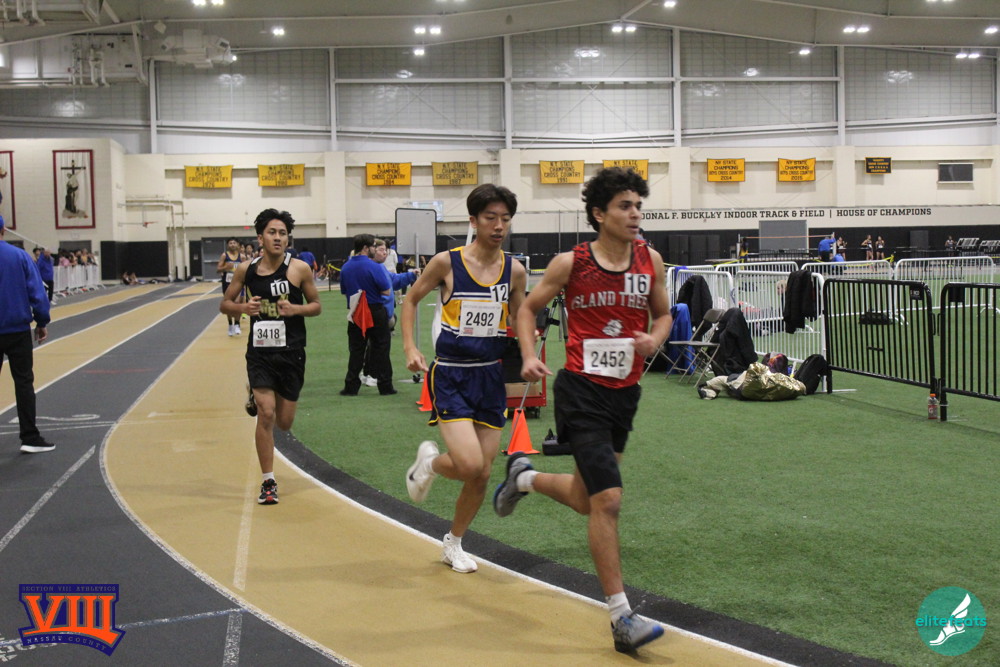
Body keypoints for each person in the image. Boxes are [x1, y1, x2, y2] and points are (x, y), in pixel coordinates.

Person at [492, 167, 671, 653]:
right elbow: (527, 309)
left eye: (638, 205)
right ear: (599, 214)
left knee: (585, 497)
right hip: (581, 391)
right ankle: (621, 617)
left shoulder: (649, 260)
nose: (635, 214)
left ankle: (524, 478)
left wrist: (653, 339)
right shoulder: (570, 263)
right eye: (624, 206)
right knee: (608, 499)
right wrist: (528, 354)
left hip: (624, 394)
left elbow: (662, 314)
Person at [402, 183, 527, 574]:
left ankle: (453, 543)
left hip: (490, 375)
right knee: (471, 465)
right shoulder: (446, 263)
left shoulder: (514, 270)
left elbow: (521, 316)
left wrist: (528, 355)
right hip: (452, 374)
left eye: (505, 218)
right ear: (473, 220)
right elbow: (410, 300)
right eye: (491, 217)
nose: (499, 225)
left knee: (482, 473)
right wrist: (410, 347)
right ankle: (429, 465)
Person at [220, 209, 321, 505]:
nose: (278, 238)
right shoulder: (246, 270)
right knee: (266, 413)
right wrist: (243, 309)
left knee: (284, 422)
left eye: (282, 233)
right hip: (260, 352)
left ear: (288, 239)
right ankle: (268, 481)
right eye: (272, 232)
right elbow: (225, 304)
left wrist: (296, 309)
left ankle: (260, 394)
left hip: (292, 353)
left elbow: (316, 305)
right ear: (260, 238)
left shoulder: (300, 269)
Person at [0, 215, 55, 454]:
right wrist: (42, 321)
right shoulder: (20, 256)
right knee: (23, 383)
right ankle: (30, 437)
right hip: (17, 329)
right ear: (3, 230)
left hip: (14, 327)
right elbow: (37, 292)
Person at [340, 234, 395, 395]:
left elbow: (344, 290)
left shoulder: (346, 267)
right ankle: (385, 386)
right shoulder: (375, 267)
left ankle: (351, 386)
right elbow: (386, 291)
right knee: (381, 348)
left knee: (356, 350)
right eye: (373, 246)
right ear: (366, 248)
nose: (374, 249)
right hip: (375, 310)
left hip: (355, 310)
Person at [360, 239, 420, 386]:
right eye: (381, 250)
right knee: (379, 347)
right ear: (372, 250)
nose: (385, 253)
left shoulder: (380, 268)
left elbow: (394, 280)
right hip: (376, 314)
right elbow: (388, 285)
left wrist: (411, 275)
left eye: (385, 250)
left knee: (373, 346)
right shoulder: (372, 268)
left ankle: (367, 373)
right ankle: (374, 375)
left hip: (381, 314)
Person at [217, 237, 245, 336]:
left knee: (237, 303)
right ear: (227, 245)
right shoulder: (224, 255)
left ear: (237, 245)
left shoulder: (242, 257)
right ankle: (230, 325)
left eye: (234, 243)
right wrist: (226, 267)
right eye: (230, 243)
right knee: (228, 303)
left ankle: (237, 324)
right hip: (227, 283)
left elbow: (246, 269)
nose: (232, 244)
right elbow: (218, 269)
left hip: (239, 283)